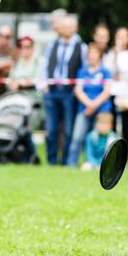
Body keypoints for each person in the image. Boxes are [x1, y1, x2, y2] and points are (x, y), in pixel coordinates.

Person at [40, 15, 84, 165]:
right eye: (63, 26)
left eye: (69, 26)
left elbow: (83, 70)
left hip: (69, 92)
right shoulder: (52, 45)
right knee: (51, 129)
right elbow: (45, 65)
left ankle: (65, 161)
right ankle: (52, 161)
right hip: (51, 91)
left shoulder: (81, 47)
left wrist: (77, 88)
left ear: (75, 29)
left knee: (68, 130)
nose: (65, 29)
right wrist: (44, 85)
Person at [66, 44, 113, 167]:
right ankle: (71, 164)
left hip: (102, 110)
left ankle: (103, 164)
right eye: (90, 54)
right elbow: (78, 90)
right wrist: (89, 104)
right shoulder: (82, 71)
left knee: (99, 138)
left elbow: (107, 91)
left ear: (100, 56)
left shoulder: (105, 72)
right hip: (84, 109)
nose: (92, 56)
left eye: (95, 53)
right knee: (77, 137)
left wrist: (94, 105)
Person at [105, 27, 128, 145]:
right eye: (120, 36)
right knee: (114, 122)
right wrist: (115, 55)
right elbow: (110, 72)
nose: (122, 39)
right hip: (114, 92)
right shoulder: (111, 54)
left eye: (125, 36)